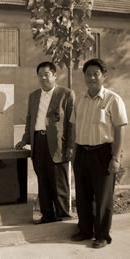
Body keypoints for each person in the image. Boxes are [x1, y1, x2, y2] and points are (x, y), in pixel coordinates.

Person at [70, 59, 128, 248]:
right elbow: (74, 126)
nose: (92, 77)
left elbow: (120, 129)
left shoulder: (113, 99)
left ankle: (102, 235)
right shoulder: (80, 99)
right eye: (88, 74)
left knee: (103, 197)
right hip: (82, 153)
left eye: (96, 73)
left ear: (104, 76)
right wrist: (73, 151)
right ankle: (85, 230)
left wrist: (116, 158)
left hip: (103, 153)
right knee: (83, 194)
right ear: (84, 76)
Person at [16, 61, 75, 224]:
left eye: (46, 74)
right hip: (38, 142)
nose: (43, 78)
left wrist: (71, 145)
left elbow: (71, 123)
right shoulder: (34, 96)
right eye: (40, 75)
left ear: (54, 75)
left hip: (58, 144)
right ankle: (47, 214)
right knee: (43, 180)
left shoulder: (66, 94)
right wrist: (25, 139)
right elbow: (30, 119)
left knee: (59, 181)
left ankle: (63, 215)